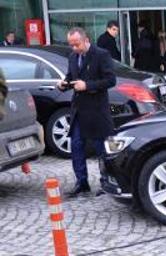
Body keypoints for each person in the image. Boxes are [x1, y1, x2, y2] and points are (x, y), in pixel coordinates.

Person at [56, 27, 116, 197]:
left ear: (86, 39)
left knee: (101, 149)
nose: (74, 48)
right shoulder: (73, 57)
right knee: (76, 147)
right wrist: (63, 84)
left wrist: (88, 85)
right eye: (71, 45)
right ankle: (81, 183)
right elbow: (70, 76)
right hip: (79, 110)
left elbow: (111, 80)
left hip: (97, 110)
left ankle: (106, 182)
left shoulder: (101, 54)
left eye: (77, 44)